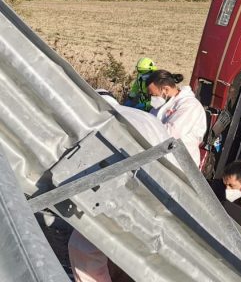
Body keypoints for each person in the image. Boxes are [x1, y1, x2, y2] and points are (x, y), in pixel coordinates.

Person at [69, 90, 193, 282]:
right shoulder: (145, 116)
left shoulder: (96, 122)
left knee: (84, 243)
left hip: (128, 187)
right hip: (170, 189)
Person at [146, 69, 207, 167]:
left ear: (165, 89)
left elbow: (172, 133)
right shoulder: (160, 106)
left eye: (153, 95)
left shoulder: (189, 105)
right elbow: (150, 121)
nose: (151, 99)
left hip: (180, 165)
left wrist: (146, 128)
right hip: (161, 160)